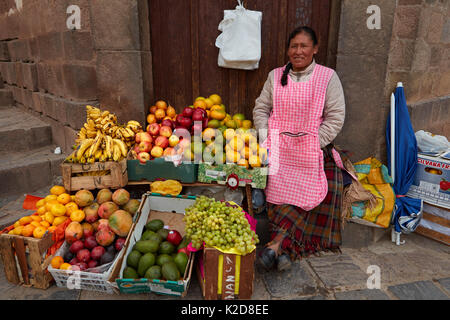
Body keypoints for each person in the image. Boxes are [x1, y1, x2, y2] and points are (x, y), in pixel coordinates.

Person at [253, 26, 350, 271]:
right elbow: (261, 109)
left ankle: (275, 245)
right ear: (288, 50)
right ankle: (287, 250)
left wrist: (313, 143)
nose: (298, 51)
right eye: (293, 46)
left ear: (315, 49)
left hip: (312, 149)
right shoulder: (275, 76)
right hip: (279, 149)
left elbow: (336, 116)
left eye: (304, 46)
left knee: (318, 190)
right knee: (278, 193)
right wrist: (268, 140)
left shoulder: (327, 77)